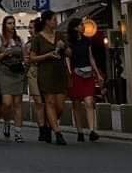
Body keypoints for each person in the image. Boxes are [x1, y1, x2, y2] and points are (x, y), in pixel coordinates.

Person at [30, 10, 68, 145]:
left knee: (60, 106)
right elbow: (32, 58)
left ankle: (49, 122)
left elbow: (69, 53)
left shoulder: (60, 35)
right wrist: (47, 55)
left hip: (60, 72)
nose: (56, 22)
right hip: (45, 73)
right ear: (47, 21)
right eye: (54, 19)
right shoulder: (38, 38)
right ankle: (57, 132)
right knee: (50, 102)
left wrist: (63, 48)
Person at [66, 17, 104, 143]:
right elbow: (67, 58)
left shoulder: (87, 40)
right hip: (76, 73)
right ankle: (80, 131)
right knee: (76, 103)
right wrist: (69, 73)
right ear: (75, 28)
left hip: (88, 73)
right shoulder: (69, 42)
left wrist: (97, 74)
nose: (83, 27)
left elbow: (90, 57)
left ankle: (92, 130)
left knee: (89, 101)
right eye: (81, 25)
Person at [0, 15, 26, 142]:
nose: (12, 26)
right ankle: (6, 120)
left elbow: (25, 55)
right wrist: (5, 53)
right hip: (5, 72)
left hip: (17, 72)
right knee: (7, 103)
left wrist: (24, 62)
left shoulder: (19, 40)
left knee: (18, 103)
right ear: (4, 25)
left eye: (13, 23)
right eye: (9, 23)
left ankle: (18, 132)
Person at [24, 18, 47, 141]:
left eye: (31, 27)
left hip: (46, 71)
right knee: (38, 101)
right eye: (29, 27)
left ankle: (48, 125)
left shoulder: (44, 41)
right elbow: (26, 61)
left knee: (48, 100)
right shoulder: (28, 44)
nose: (29, 30)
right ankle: (42, 127)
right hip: (33, 72)